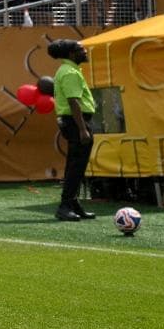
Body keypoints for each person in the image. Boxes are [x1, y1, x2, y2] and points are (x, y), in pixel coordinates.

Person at [50, 38, 97, 222]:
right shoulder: (69, 72)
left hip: (72, 122)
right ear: (71, 54)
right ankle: (65, 205)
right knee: (76, 166)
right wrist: (83, 129)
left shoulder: (68, 70)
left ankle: (72, 202)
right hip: (76, 122)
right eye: (80, 49)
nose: (84, 51)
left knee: (75, 165)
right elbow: (73, 102)